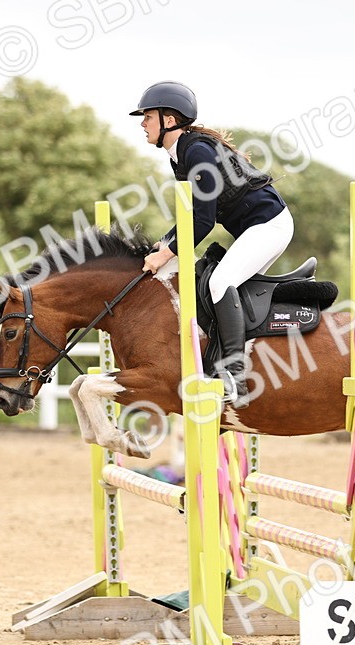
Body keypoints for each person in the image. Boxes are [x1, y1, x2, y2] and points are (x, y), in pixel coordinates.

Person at [131, 81, 294, 408]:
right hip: (259, 228)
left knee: (221, 282)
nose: (142, 123)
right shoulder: (182, 155)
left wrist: (166, 252)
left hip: (269, 226)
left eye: (147, 116)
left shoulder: (197, 151)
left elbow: (202, 222)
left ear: (169, 120)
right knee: (215, 287)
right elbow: (190, 216)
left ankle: (233, 373)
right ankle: (227, 361)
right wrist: (161, 245)